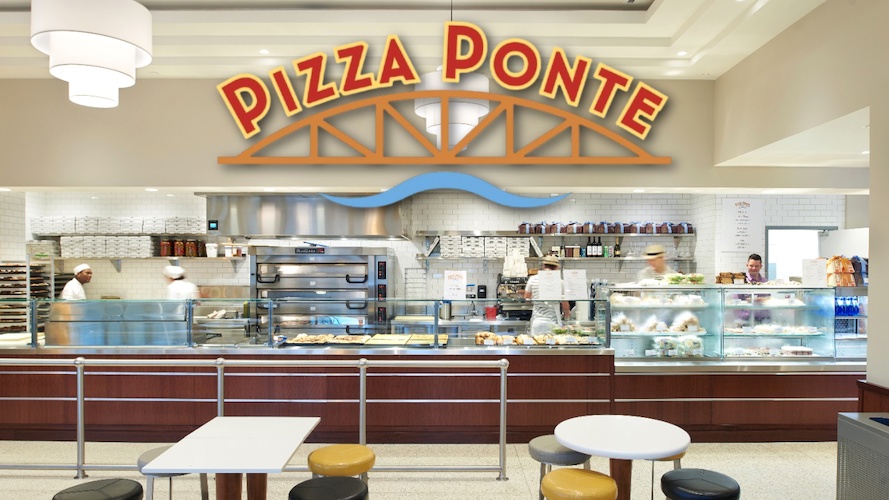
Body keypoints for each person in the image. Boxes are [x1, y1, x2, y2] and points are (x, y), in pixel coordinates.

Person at [524, 255, 570, 335]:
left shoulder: (532, 279)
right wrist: (567, 316)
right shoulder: (560, 282)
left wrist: (537, 296)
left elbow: (526, 298)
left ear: (544, 266)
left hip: (537, 321)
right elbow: (565, 304)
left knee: (537, 342)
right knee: (552, 342)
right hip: (553, 323)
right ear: (556, 268)